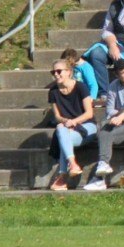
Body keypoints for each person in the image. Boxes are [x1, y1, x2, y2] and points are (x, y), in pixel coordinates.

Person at [87, 59, 124, 191]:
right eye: (123, 73)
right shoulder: (113, 85)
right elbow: (109, 111)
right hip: (119, 123)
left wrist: (121, 115)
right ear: (117, 74)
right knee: (104, 130)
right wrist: (122, 114)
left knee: (106, 130)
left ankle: (99, 177)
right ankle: (103, 165)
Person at [46, 60, 97, 191]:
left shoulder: (81, 87)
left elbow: (89, 113)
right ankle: (73, 165)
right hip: (68, 129)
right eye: (53, 72)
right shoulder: (53, 92)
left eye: (59, 71)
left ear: (69, 72)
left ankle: (62, 175)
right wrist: (66, 121)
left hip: (87, 126)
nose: (56, 74)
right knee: (61, 129)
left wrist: (74, 122)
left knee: (62, 133)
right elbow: (57, 116)